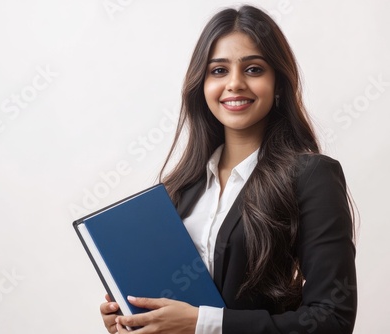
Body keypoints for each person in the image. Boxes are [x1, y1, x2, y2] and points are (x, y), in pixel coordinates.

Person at [100, 5, 357, 334]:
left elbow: (332, 319)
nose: (234, 84)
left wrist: (202, 324)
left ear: (278, 82)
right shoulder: (178, 189)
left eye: (253, 69)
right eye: (218, 71)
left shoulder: (311, 176)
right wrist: (132, 317)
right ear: (201, 84)